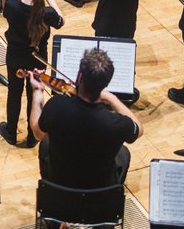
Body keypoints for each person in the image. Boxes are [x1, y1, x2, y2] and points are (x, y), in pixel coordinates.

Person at [30, 48, 141, 187]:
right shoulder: (116, 123)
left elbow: (37, 133)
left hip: (59, 192)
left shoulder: (56, 106)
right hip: (98, 196)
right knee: (123, 153)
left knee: (45, 144)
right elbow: (139, 129)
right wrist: (112, 99)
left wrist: (37, 92)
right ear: (106, 84)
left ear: (80, 78)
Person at [0, 0, 64, 148]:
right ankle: (32, 136)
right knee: (33, 95)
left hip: (15, 58)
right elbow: (61, 20)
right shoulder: (48, 14)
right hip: (37, 61)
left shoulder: (13, 6)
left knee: (14, 93)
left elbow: (6, 12)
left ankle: (10, 132)